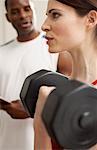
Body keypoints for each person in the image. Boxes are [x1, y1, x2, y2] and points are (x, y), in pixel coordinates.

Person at [0, 0, 72, 150]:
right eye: (15, 12)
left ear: (33, 10)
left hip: (41, 143)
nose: (22, 15)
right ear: (8, 17)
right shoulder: (1, 52)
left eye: (26, 9)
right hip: (6, 141)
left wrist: (31, 109)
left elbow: (70, 99)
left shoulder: (55, 48)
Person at [34, 0, 97, 149]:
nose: (44, 26)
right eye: (47, 15)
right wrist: (40, 121)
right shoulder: (54, 92)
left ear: (91, 19)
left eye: (55, 15)